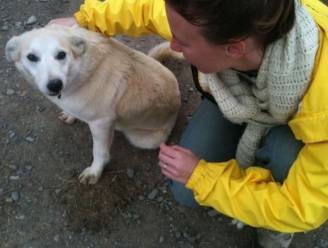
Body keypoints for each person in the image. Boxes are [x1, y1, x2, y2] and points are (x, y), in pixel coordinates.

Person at [50, 0, 328, 247]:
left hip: (305, 125)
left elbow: (300, 206)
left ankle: (275, 232)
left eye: (183, 43)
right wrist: (83, 21)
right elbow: (147, 9)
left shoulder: (323, 107)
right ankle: (248, 141)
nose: (173, 46)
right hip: (240, 100)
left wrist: (203, 177)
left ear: (234, 49)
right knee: (185, 192)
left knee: (283, 162)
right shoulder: (213, 16)